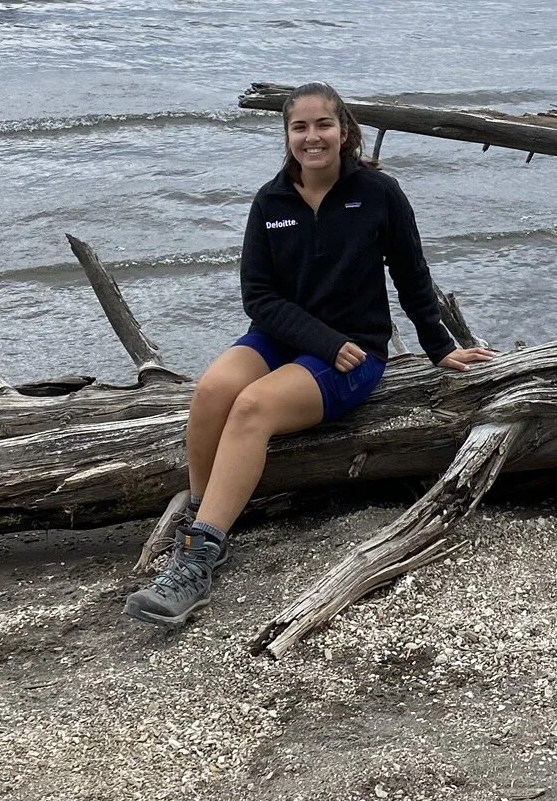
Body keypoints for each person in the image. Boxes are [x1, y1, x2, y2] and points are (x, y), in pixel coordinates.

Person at [124, 81, 495, 627]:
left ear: (344, 131)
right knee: (212, 392)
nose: (312, 136)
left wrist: (440, 347)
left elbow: (412, 275)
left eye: (323, 124)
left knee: (252, 408)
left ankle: (198, 560)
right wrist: (320, 340)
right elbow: (259, 298)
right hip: (284, 339)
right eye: (300, 127)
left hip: (355, 351)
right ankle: (200, 529)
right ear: (288, 135)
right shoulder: (271, 200)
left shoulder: (379, 193)